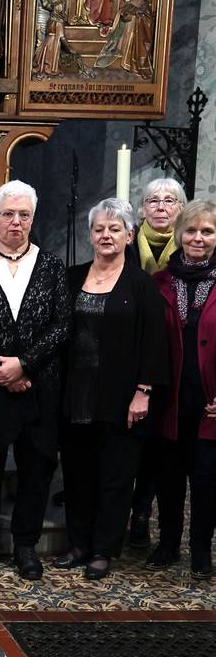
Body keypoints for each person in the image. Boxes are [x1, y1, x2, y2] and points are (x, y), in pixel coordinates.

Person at [0, 181, 70, 582]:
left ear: (32, 219)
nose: (16, 221)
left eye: (24, 214)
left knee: (36, 469)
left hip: (39, 387)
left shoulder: (52, 265)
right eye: (8, 214)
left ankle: (26, 546)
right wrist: (2, 371)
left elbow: (62, 326)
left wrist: (23, 365)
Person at [57, 198, 168, 580]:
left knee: (115, 477)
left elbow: (156, 342)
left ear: (129, 235)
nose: (106, 235)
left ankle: (103, 549)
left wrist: (144, 391)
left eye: (114, 229)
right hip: (75, 396)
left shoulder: (141, 285)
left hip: (122, 399)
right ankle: (77, 544)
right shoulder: (72, 277)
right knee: (76, 473)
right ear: (90, 235)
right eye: (99, 229)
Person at [146, 200, 216, 578]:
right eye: (191, 230)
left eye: (207, 231)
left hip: (210, 405)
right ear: (179, 235)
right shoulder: (159, 283)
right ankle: (168, 543)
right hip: (168, 401)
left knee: (206, 483)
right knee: (168, 480)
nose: (198, 238)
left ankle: (201, 550)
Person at [126, 177, 187, 548]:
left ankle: (143, 509)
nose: (161, 207)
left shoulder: (190, 252)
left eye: (169, 200)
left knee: (158, 444)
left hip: (173, 360)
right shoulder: (128, 245)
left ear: (181, 207)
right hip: (129, 354)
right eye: (153, 200)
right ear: (142, 209)